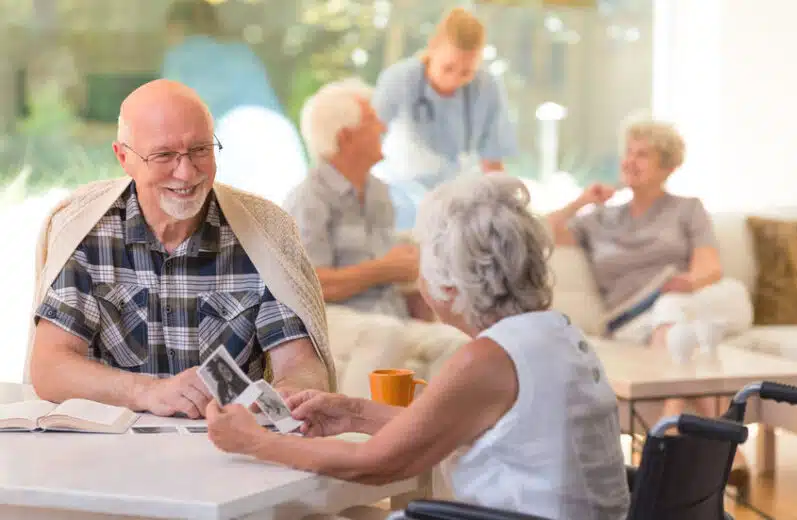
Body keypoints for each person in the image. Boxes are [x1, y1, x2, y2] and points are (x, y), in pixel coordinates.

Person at [207, 175, 631, 520]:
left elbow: (375, 464)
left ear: (447, 282)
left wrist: (254, 442)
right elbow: (445, 423)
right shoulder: (553, 335)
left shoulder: (488, 360)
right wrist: (349, 412)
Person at [27, 79, 335, 420]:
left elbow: (301, 365)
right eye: (164, 155)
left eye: (200, 150)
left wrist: (289, 396)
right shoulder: (87, 231)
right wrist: (148, 391)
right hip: (114, 454)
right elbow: (50, 367)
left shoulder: (263, 233)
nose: (186, 173)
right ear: (124, 157)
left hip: (231, 449)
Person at [546, 117, 753, 493]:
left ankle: (672, 423)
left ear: (667, 166)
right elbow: (538, 234)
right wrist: (581, 200)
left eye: (643, 154)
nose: (630, 160)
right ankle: (724, 450)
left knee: (704, 303)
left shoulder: (687, 208)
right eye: (628, 152)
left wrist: (688, 283)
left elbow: (710, 266)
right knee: (695, 334)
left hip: (679, 306)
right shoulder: (601, 218)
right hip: (628, 319)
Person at [283, 78, 471, 397]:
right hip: (327, 318)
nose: (383, 126)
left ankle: (438, 444)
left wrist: (421, 293)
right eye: (373, 121)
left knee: (457, 344)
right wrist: (385, 269)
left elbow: (395, 273)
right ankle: (355, 439)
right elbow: (310, 285)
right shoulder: (309, 198)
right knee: (386, 334)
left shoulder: (379, 193)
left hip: (386, 316)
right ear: (345, 136)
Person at [371, 7, 518, 230]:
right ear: (432, 48)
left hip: (458, 201)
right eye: (448, 67)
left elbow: (492, 162)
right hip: (401, 196)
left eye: (466, 72)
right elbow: (370, 139)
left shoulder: (487, 87)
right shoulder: (399, 80)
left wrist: (505, 211)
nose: (455, 79)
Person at [162, 0, 307, 204]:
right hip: (280, 135)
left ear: (175, 27)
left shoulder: (180, 56)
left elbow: (169, 120)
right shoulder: (242, 53)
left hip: (231, 139)